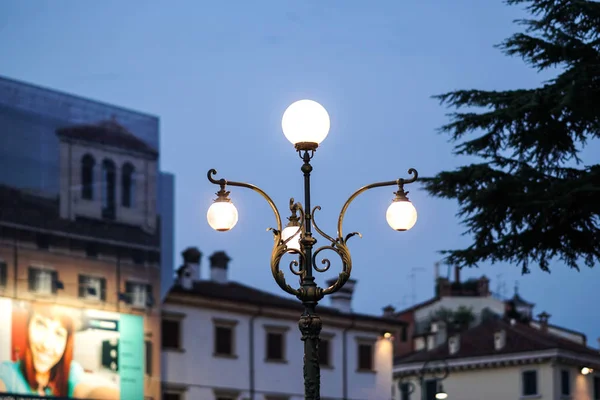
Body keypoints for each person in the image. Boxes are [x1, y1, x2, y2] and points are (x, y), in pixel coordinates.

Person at [0, 304, 119, 399]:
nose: (47, 345)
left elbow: (87, 393)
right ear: (28, 326)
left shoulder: (71, 373)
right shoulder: (7, 373)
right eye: (41, 324)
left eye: (59, 333)